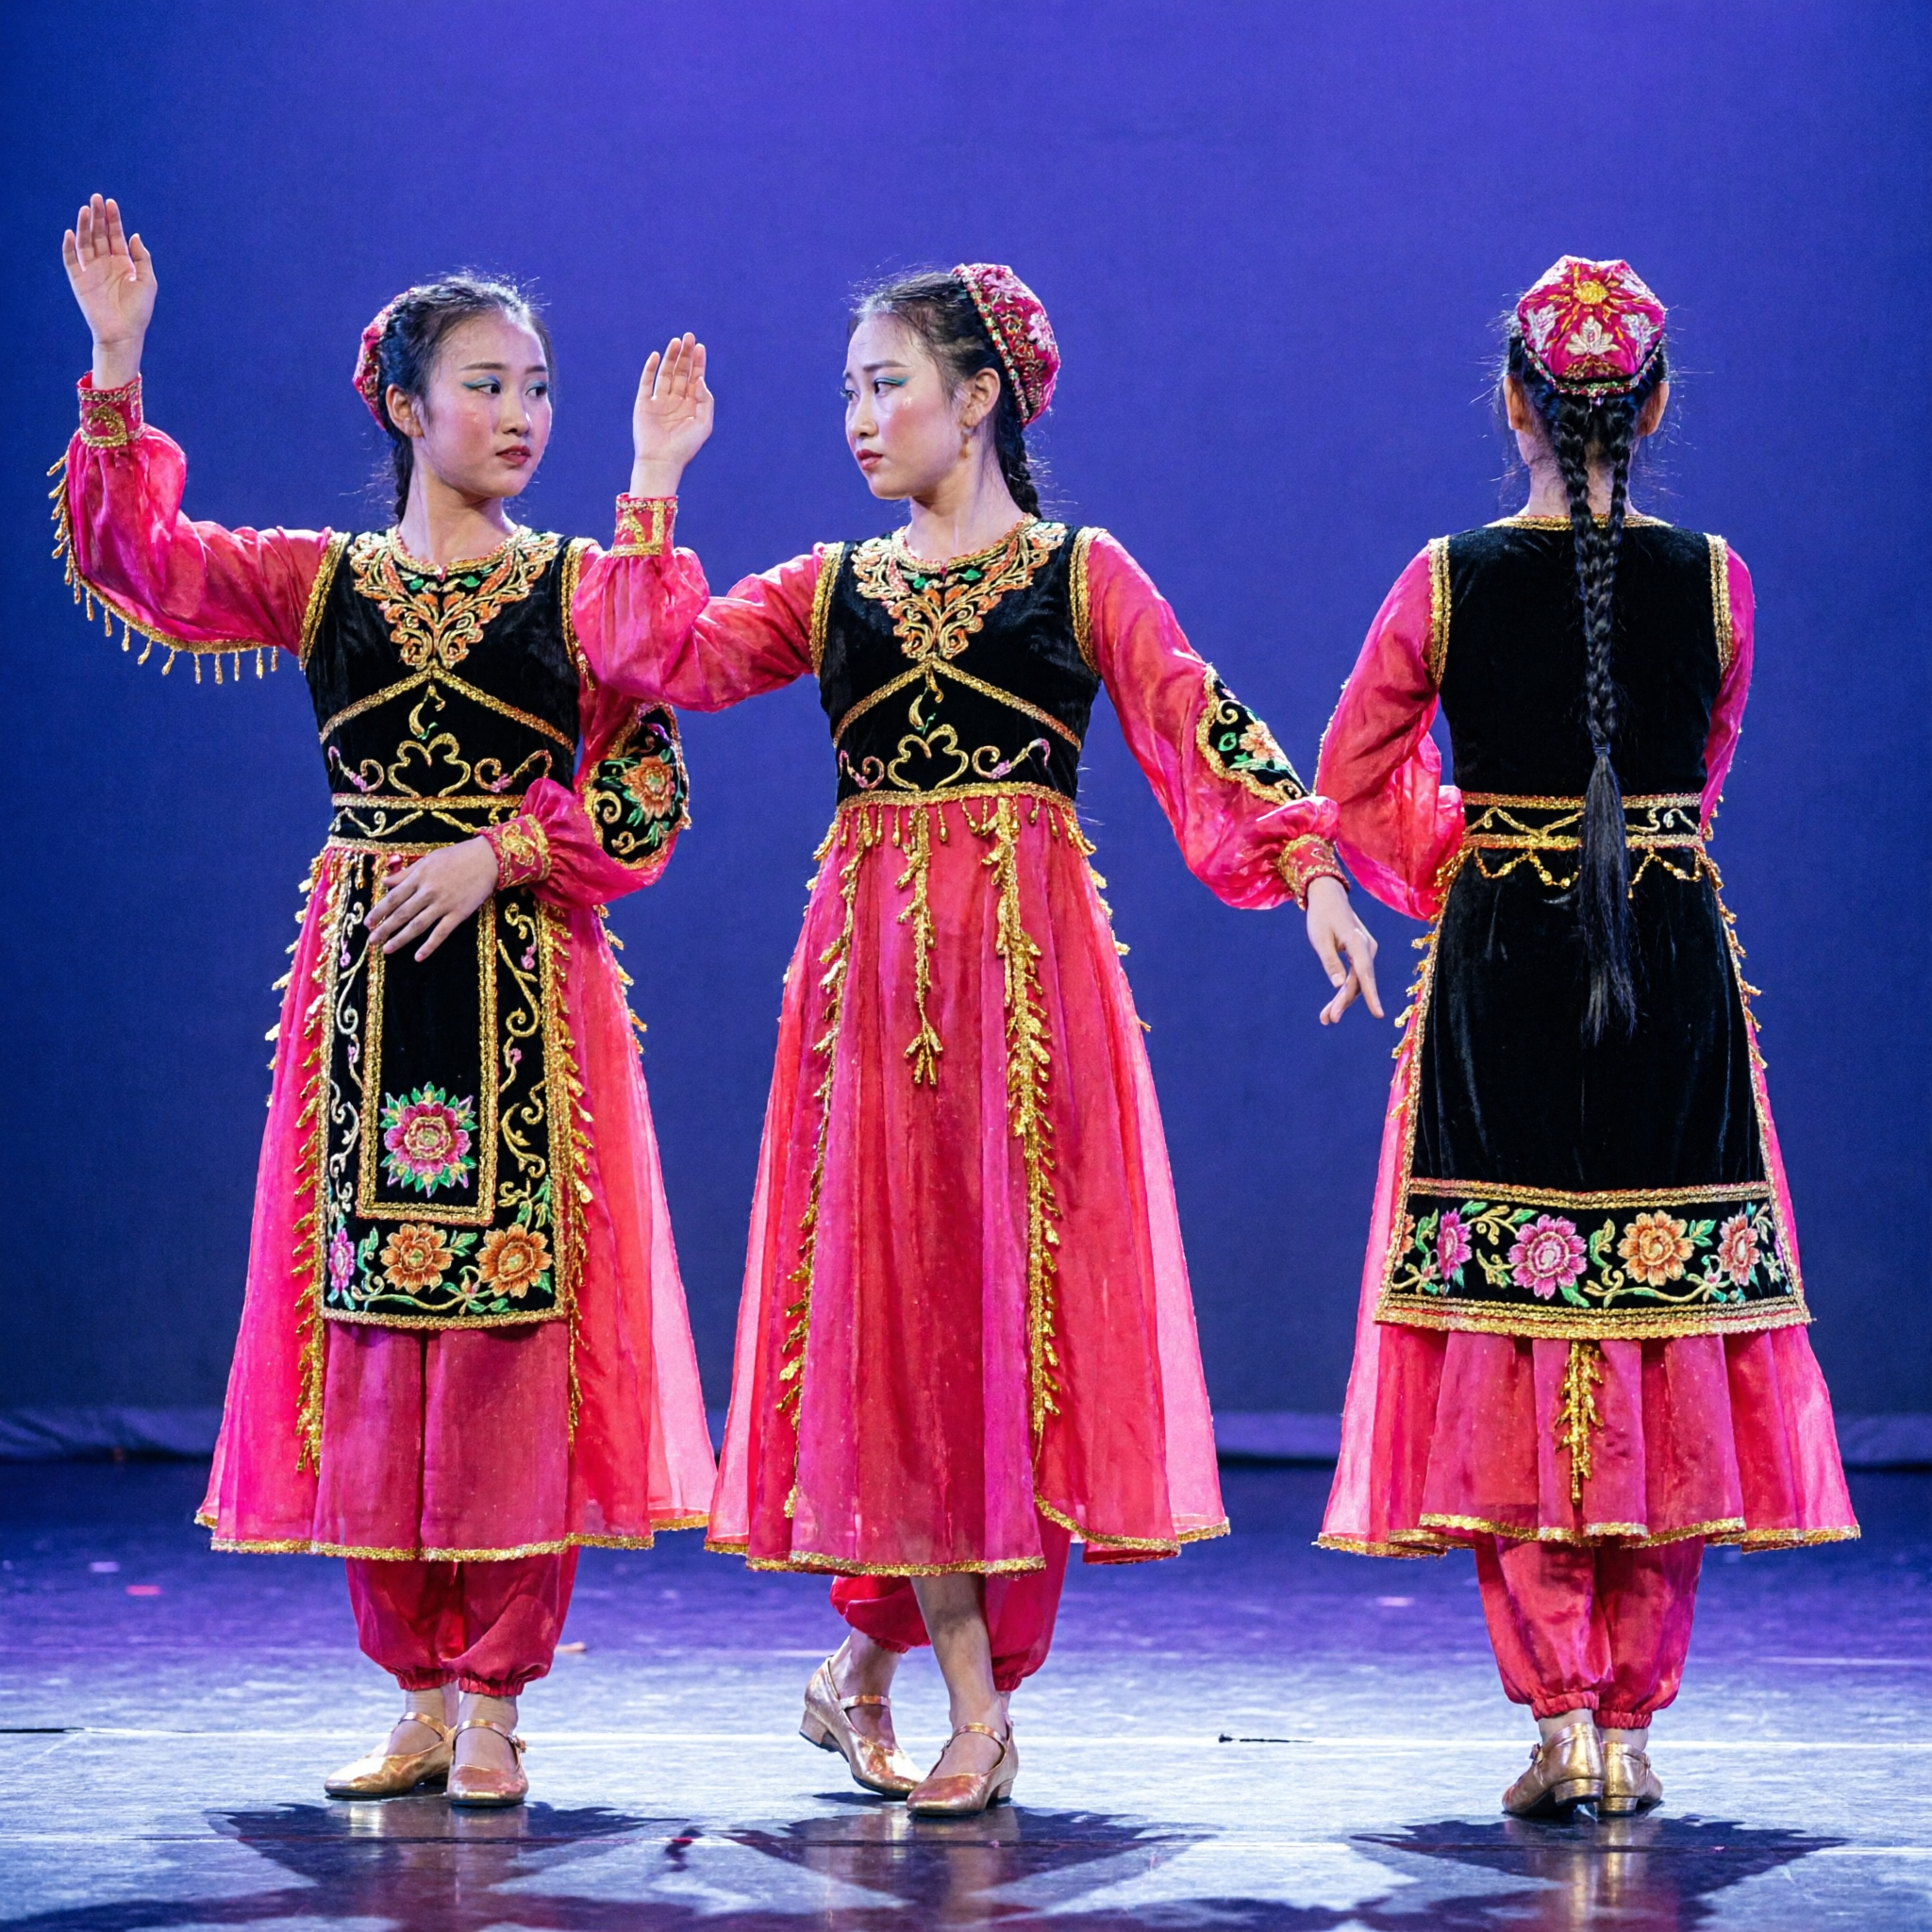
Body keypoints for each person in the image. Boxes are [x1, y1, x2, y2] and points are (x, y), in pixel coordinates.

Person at [577, 263, 1382, 1814]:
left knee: (1011, 1344)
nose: (864, 420)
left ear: (981, 394)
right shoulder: (831, 589)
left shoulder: (1077, 573)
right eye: (851, 393)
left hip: (1031, 998)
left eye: (890, 384)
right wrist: (655, 481)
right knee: (901, 1329)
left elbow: (1197, 725)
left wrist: (1310, 874)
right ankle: (973, 1705)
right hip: (873, 993)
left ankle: (864, 1669)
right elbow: (650, 660)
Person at [56, 195, 716, 1807]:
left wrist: (505, 848)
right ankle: (418, 1687)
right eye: (487, 384)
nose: (521, 416)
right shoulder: (326, 580)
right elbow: (142, 559)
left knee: (507, 1332)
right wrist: (119, 362)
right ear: (407, 406)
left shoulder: (573, 588)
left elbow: (646, 789)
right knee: (370, 1323)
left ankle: (499, 1693)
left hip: (524, 1000)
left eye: (540, 388)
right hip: (364, 991)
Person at [1314, 256, 1857, 1818]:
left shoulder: (1445, 576)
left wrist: (1471, 859)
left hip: (1508, 974)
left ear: (1512, 404)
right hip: (1665, 961)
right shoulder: (1719, 580)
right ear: (1660, 405)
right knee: (1662, 1322)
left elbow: (1356, 779)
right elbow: (1708, 764)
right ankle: (1627, 1724)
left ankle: (1560, 1718)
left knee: (1515, 1325)